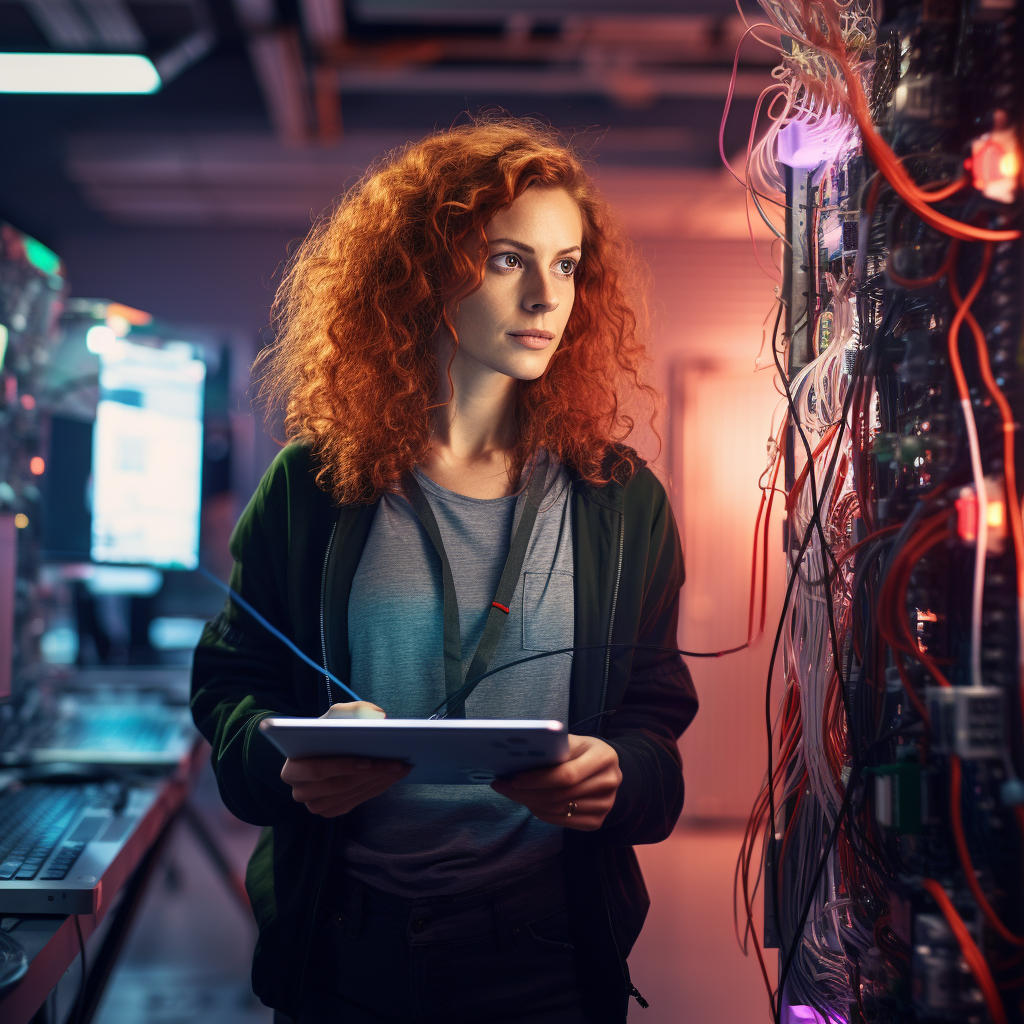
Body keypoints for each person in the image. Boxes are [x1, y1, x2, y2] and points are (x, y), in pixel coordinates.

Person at [190, 117, 698, 1024]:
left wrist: (620, 775)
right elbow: (232, 687)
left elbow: (657, 721)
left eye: (568, 264)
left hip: (546, 950)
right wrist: (285, 760)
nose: (547, 297)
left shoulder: (618, 502)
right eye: (509, 260)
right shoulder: (314, 486)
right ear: (421, 274)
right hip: (345, 947)